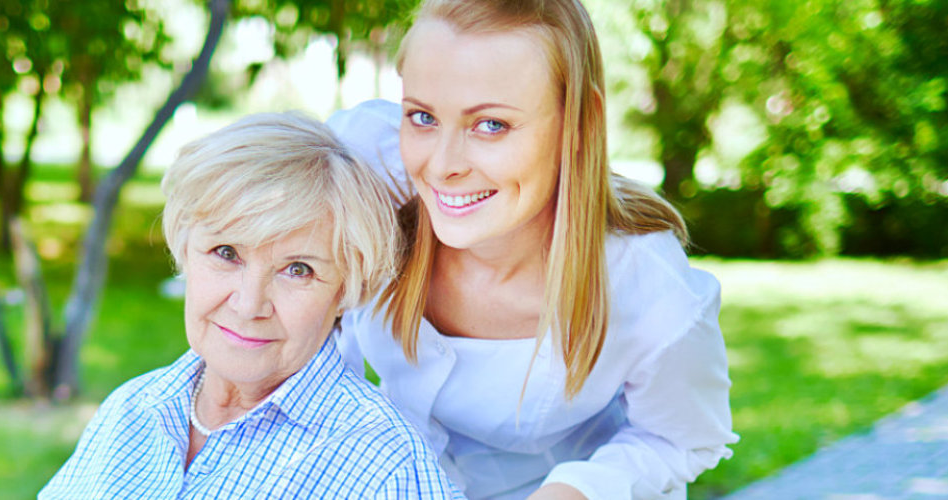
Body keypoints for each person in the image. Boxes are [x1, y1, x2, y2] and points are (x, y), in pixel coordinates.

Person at [324, 0, 738, 498]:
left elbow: (682, 439)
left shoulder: (646, 286)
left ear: (578, 123)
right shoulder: (363, 169)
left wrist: (578, 489)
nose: (442, 165)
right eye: (422, 116)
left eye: (491, 125)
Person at [40, 112, 464, 499]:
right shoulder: (132, 411)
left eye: (298, 270)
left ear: (345, 290)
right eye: (226, 253)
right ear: (186, 251)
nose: (249, 305)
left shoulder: (383, 467)